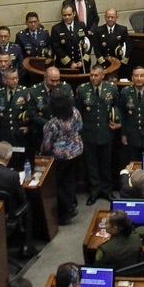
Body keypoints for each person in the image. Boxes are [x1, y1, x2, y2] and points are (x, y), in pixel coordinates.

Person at [76, 63, 120, 204]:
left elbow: (117, 107)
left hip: (106, 133)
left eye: (96, 75)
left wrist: (118, 122)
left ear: (102, 75)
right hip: (88, 134)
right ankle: (94, 192)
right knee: (92, 165)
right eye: (91, 75)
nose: (93, 78)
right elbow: (78, 112)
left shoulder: (111, 89)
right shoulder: (82, 90)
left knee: (106, 164)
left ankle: (107, 191)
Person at [42, 89, 84, 224]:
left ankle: (68, 208)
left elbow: (47, 144)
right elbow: (80, 127)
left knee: (57, 183)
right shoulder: (75, 112)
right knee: (69, 180)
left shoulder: (53, 123)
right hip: (76, 151)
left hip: (60, 157)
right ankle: (71, 203)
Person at [90, 8, 129, 76]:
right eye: (108, 17)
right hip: (103, 62)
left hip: (118, 63)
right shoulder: (98, 30)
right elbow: (96, 48)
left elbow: (128, 46)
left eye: (112, 17)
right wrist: (102, 61)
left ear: (116, 17)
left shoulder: (122, 30)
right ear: (105, 17)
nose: (110, 19)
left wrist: (123, 61)